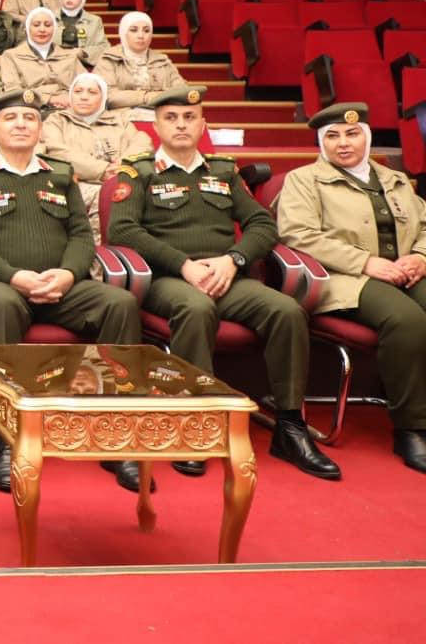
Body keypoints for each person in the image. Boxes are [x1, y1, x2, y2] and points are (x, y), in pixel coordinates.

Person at [106, 85, 340, 481]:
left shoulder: (224, 171)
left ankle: (289, 425)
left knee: (286, 311)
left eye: (189, 117)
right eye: (171, 118)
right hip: (168, 278)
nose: (181, 125)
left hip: (226, 274)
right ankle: (193, 423)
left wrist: (234, 259)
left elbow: (262, 224)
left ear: (203, 125)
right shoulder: (138, 173)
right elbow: (123, 230)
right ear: (155, 128)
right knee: (195, 308)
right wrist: (183, 265)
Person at [0, 90, 144, 493]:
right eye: (11, 118)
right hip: (0, 286)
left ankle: (114, 431)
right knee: (2, 303)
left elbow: (81, 235)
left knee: (119, 304)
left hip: (61, 286)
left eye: (30, 118)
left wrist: (68, 274)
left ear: (40, 129)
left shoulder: (60, 174)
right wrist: (13, 276)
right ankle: (6, 435)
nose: (21, 124)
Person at [276, 103, 426, 474]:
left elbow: (424, 224)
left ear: (367, 138)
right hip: (341, 278)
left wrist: (421, 256)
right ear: (321, 143)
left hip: (404, 271)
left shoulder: (394, 178)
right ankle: (411, 428)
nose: (343, 143)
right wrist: (365, 262)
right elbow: (298, 234)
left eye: (352, 134)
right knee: (406, 319)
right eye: (332, 136)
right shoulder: (304, 180)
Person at [39, 73, 152, 241]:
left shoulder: (119, 120)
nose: (84, 97)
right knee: (106, 195)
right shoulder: (56, 121)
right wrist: (103, 170)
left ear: (103, 97)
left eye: (92, 92)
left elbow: (142, 142)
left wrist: (123, 165)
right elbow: (57, 151)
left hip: (122, 178)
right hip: (77, 183)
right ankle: (99, 251)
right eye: (78, 91)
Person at [94, 11, 183, 113]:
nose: (141, 35)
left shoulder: (162, 60)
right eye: (133, 30)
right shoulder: (108, 59)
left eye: (146, 31)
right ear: (123, 32)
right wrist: (147, 97)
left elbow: (181, 91)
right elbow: (108, 96)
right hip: (121, 118)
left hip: (161, 115)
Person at [0, 7, 81, 109]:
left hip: (69, 107)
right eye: (36, 25)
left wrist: (71, 98)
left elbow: (85, 84)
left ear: (54, 29)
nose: (42, 30)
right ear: (27, 28)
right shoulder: (11, 56)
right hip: (30, 108)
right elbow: (13, 92)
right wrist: (49, 99)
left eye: (48, 25)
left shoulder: (69, 56)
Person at [53, 0, 108, 64]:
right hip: (53, 63)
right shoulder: (48, 18)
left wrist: (83, 53)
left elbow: (103, 47)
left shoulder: (95, 21)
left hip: (81, 64)